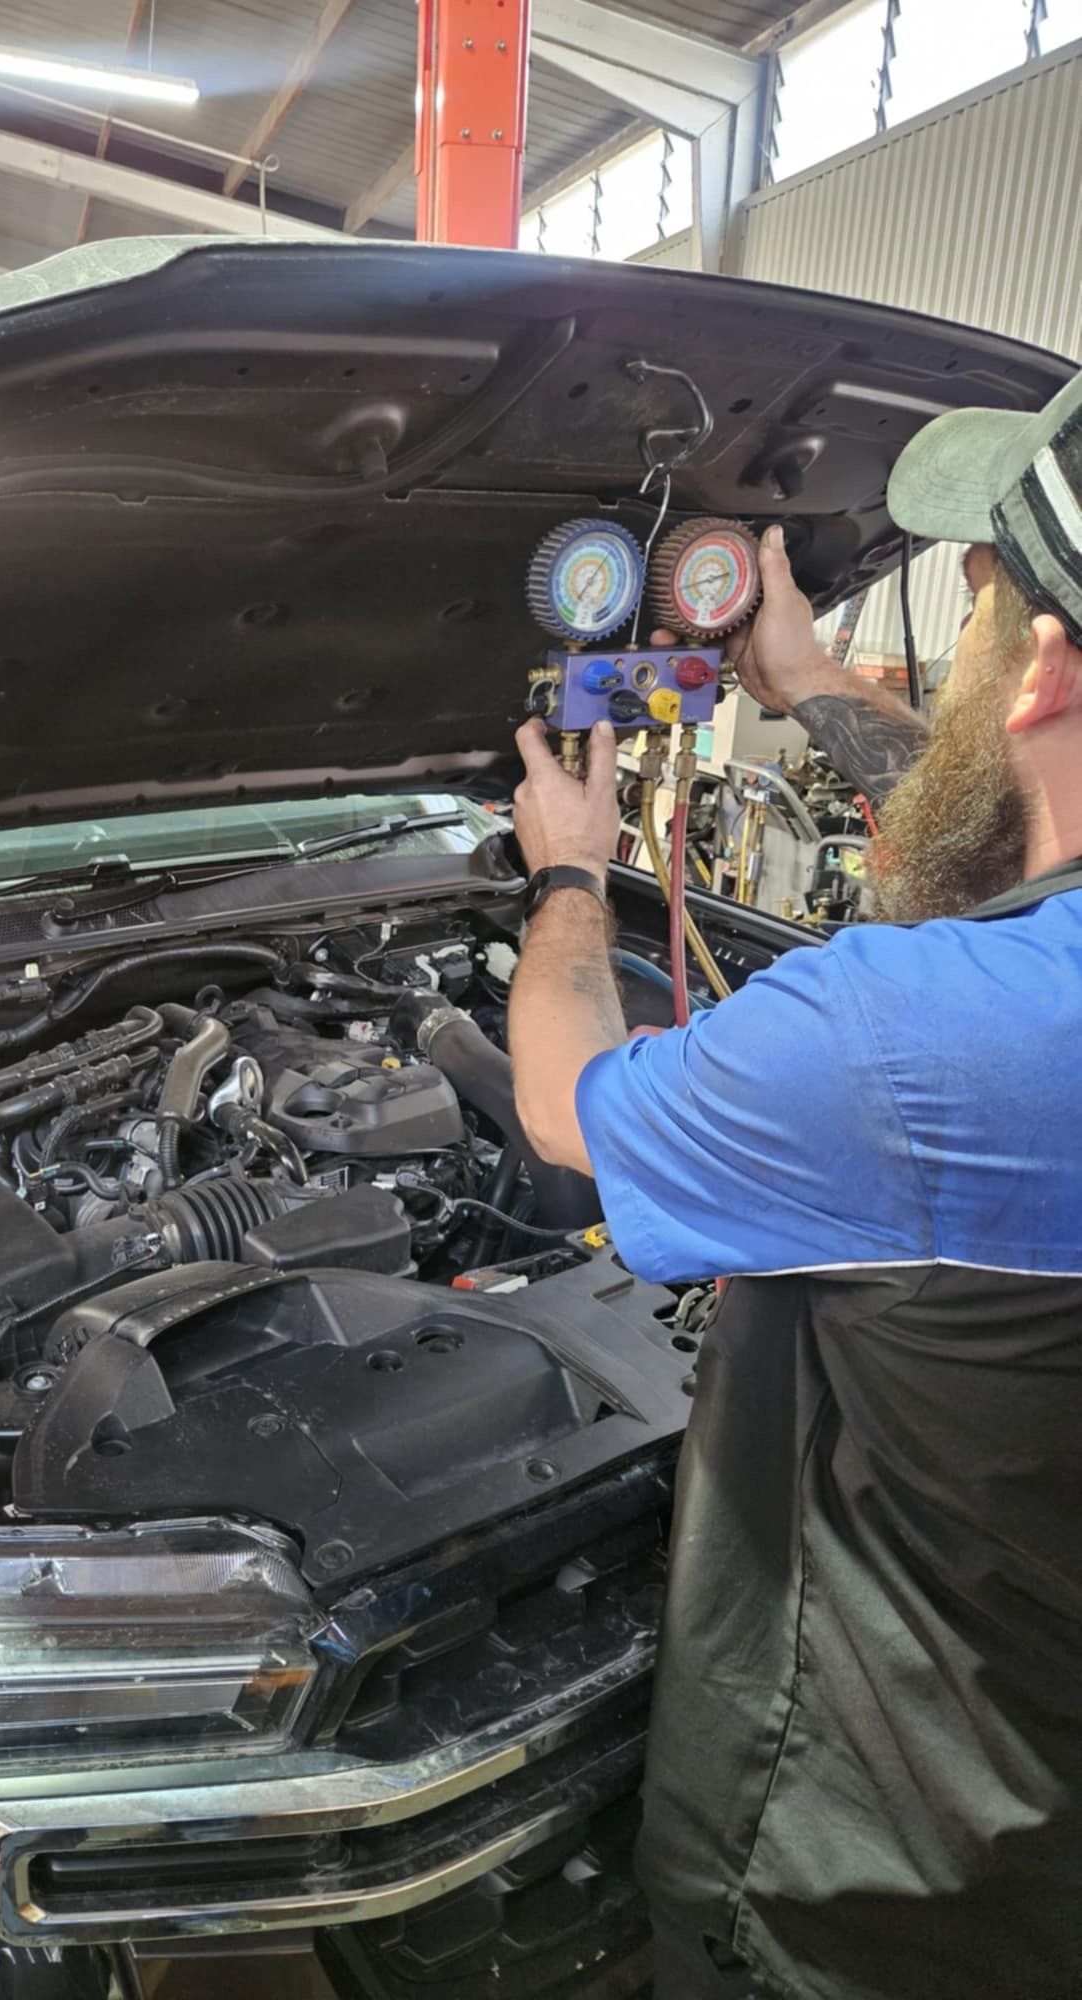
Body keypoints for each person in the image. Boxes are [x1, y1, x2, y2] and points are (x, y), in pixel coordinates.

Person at [505, 368, 1082, 2000]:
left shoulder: (896, 1042)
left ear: (1036, 665)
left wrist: (568, 876)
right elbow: (1005, 850)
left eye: (979, 602)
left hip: (877, 1893)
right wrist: (811, 675)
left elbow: (562, 1108)